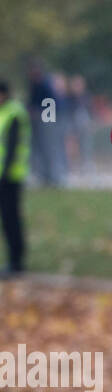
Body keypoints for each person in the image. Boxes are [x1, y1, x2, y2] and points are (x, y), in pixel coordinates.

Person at [0, 79, 30, 277]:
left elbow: (12, 148)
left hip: (10, 177)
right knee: (6, 220)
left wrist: (4, 175)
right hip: (2, 176)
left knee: (11, 220)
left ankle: (17, 263)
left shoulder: (15, 112)